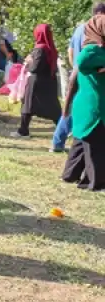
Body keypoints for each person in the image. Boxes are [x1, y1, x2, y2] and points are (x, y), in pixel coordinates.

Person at [61, 12, 105, 191]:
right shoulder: (92, 50)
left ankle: (70, 175)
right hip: (93, 107)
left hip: (87, 106)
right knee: (97, 147)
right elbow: (82, 62)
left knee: (81, 144)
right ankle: (95, 182)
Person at [51, 7, 99, 152]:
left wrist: (76, 68)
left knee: (72, 107)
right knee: (78, 110)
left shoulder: (80, 29)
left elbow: (70, 51)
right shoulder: (96, 30)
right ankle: (60, 141)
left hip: (79, 73)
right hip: (91, 76)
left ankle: (58, 141)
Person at [11, 24, 62, 138]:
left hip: (37, 82)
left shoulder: (40, 48)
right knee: (52, 108)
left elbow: (35, 68)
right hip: (49, 81)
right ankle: (63, 128)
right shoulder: (51, 47)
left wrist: (29, 61)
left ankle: (23, 131)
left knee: (27, 105)